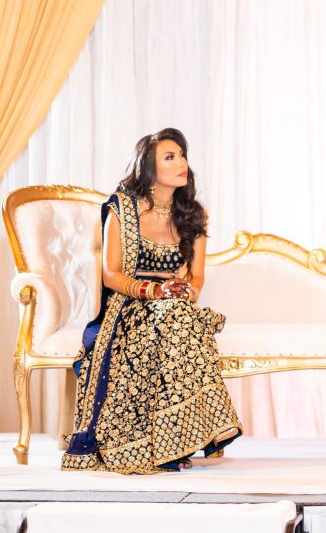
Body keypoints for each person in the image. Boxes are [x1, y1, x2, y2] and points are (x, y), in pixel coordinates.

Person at [62, 128, 242, 474]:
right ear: (148, 166)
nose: (181, 163)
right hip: (129, 304)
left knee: (180, 317)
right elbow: (111, 274)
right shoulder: (122, 209)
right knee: (182, 321)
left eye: (182, 155)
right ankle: (167, 444)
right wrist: (153, 291)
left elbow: (196, 277)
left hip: (174, 306)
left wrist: (186, 291)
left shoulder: (193, 215)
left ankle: (173, 442)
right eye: (170, 157)